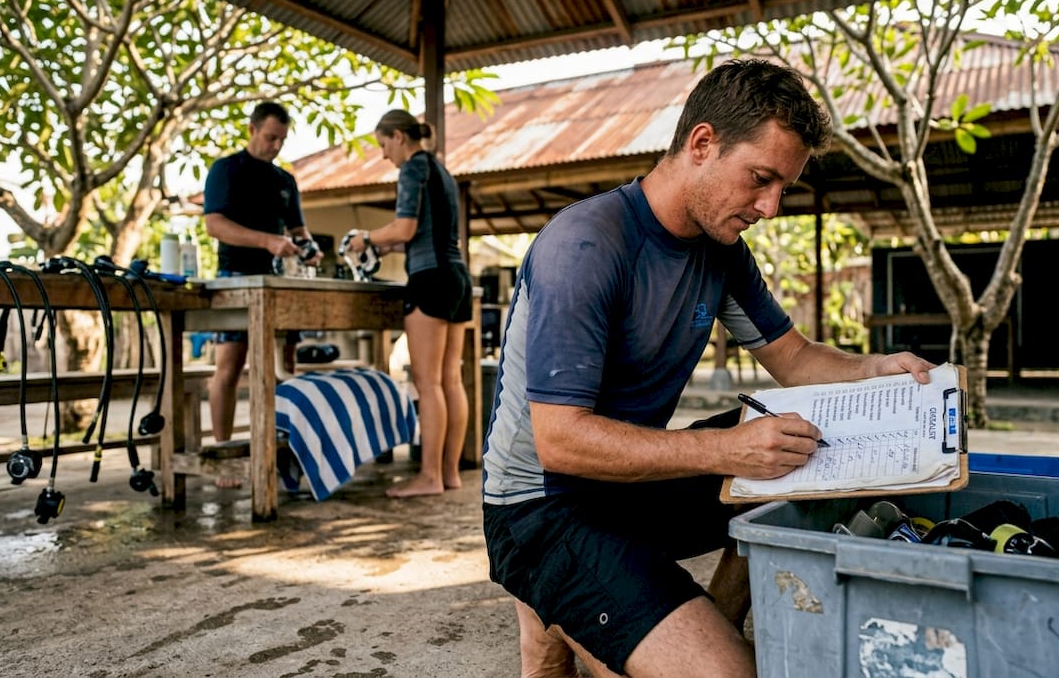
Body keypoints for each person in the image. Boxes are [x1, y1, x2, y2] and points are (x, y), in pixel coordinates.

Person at [480, 58, 936, 677]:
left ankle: (683, 622)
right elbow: (559, 441)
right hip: (542, 505)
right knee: (724, 672)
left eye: (782, 188)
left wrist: (877, 370)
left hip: (628, 487)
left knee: (810, 443)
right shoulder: (585, 244)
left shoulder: (721, 251)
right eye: (760, 178)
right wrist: (726, 450)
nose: (770, 206)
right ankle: (573, 610)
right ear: (702, 144)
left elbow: (795, 359)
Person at [346, 109, 473, 498]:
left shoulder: (412, 169)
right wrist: (386, 244)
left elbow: (404, 227)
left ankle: (429, 476)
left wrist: (366, 238)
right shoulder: (441, 170)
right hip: (457, 276)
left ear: (399, 137)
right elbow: (423, 234)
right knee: (451, 380)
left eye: (384, 144)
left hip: (430, 279)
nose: (384, 154)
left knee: (428, 383)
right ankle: (449, 473)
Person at [203, 101, 321, 488]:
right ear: (252, 129)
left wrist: (309, 248)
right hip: (236, 278)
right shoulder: (226, 170)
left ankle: (282, 455)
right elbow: (214, 224)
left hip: (280, 282)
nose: (276, 146)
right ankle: (222, 456)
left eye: (282, 140)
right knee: (229, 367)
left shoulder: (285, 180)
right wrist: (267, 241)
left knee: (284, 370)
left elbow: (298, 230)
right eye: (271, 138)